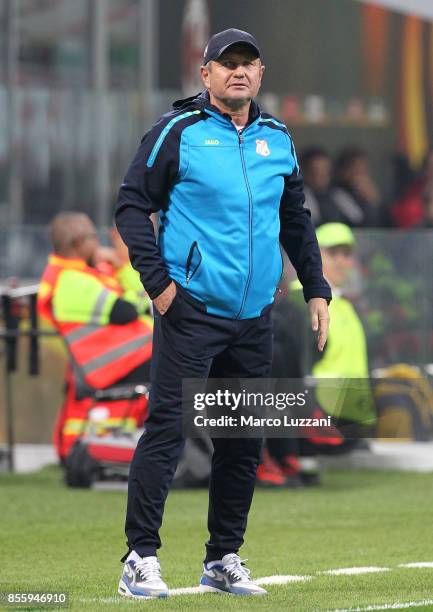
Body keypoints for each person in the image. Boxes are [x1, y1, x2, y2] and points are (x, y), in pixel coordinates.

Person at [115, 28, 331, 599]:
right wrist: (159, 286)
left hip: (254, 316)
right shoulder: (176, 132)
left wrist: (316, 286)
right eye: (226, 63)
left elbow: (295, 220)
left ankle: (223, 558)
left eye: (249, 63)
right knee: (167, 429)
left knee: (242, 440)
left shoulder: (277, 138)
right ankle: (139, 558)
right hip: (190, 310)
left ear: (260, 75)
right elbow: (132, 204)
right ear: (205, 74)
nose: (239, 72)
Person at [266, 223, 375, 486]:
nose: (341, 261)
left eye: (346, 253)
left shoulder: (347, 305)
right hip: (319, 414)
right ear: (312, 255)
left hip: (348, 414)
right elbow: (291, 372)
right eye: (332, 253)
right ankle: (297, 458)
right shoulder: (296, 305)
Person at [37, 212, 153, 459]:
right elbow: (130, 310)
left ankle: (225, 453)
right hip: (113, 367)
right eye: (93, 236)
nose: (98, 242)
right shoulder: (73, 282)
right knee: (194, 368)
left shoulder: (87, 274)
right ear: (79, 243)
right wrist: (128, 280)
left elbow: (142, 298)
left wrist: (121, 268)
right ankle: (225, 455)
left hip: (129, 359)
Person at [333, 147, 384, 227]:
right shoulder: (336, 194)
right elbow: (358, 223)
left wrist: (375, 202)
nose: (360, 173)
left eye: (363, 168)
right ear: (343, 171)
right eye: (355, 168)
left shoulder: (370, 195)